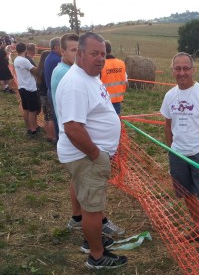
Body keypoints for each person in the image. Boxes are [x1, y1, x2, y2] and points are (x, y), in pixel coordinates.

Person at [55, 32, 127, 269]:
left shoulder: (89, 76)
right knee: (93, 208)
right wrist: (97, 156)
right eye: (94, 54)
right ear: (80, 54)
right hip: (86, 157)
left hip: (89, 156)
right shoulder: (76, 83)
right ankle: (97, 256)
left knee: (90, 205)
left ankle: (91, 241)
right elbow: (73, 128)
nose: (100, 59)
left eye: (102, 54)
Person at [160, 52, 199, 260]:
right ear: (173, 71)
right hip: (178, 154)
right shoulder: (170, 95)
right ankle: (197, 227)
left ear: (193, 70)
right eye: (178, 68)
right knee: (186, 194)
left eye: (186, 68)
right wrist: (172, 149)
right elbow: (167, 126)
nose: (182, 72)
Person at [13, 42, 39, 136]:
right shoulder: (24, 61)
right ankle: (34, 129)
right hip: (30, 87)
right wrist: (40, 66)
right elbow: (35, 71)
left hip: (21, 86)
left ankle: (28, 128)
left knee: (26, 109)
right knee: (33, 110)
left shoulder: (16, 59)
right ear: (25, 50)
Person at [100, 40, 127, 115]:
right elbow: (126, 80)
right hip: (118, 100)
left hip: (104, 100)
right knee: (116, 121)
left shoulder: (100, 65)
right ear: (110, 50)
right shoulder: (121, 63)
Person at [35, 50, 55, 144]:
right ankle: (53, 136)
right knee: (51, 117)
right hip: (47, 94)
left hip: (41, 95)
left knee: (46, 116)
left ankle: (48, 136)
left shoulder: (38, 70)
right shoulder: (46, 70)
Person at [44, 37, 61, 140]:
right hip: (55, 91)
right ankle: (59, 138)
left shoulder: (49, 57)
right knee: (57, 116)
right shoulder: (57, 60)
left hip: (50, 90)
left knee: (55, 115)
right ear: (56, 47)